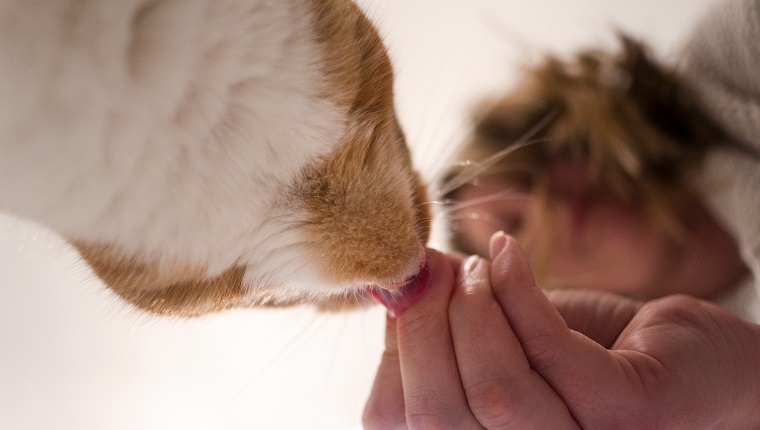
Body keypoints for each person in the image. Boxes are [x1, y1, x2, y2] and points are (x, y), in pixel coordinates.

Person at [363, 0, 760, 427]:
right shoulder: (687, 397)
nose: (546, 205)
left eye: (532, 169)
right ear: (545, 293)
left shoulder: (732, 65)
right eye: (514, 230)